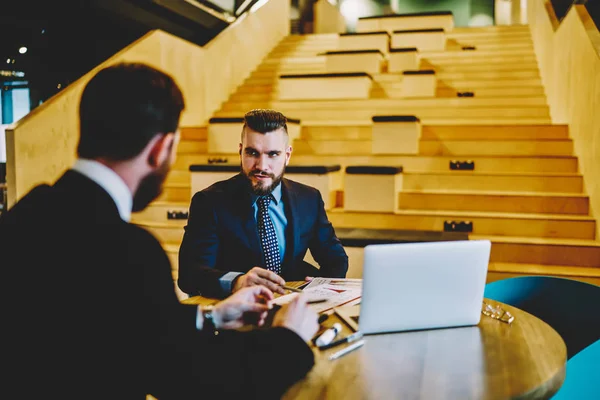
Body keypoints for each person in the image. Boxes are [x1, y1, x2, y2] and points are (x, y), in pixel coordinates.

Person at [0, 63, 318, 399]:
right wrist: (289, 339)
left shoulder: (25, 213)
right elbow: (198, 381)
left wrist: (210, 316)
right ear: (160, 149)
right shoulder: (132, 251)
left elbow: (118, 324)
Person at [178, 109, 349, 299]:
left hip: (293, 309)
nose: (261, 165)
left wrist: (320, 288)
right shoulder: (209, 202)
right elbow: (189, 275)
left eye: (273, 154)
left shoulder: (309, 198)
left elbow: (336, 259)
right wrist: (237, 282)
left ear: (287, 155)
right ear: (240, 151)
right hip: (236, 313)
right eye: (252, 153)